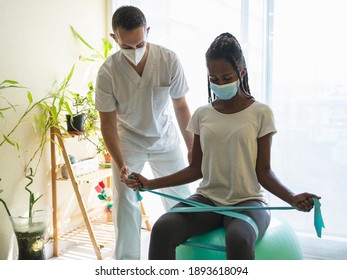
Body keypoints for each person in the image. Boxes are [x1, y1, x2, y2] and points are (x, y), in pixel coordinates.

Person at [128, 32, 321, 260]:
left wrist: (291, 198)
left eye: (227, 77)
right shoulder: (202, 114)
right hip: (207, 199)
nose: (220, 83)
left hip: (248, 202)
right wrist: (151, 183)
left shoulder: (261, 113)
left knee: (238, 239)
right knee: (162, 229)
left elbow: (264, 171)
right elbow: (196, 169)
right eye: (214, 78)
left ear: (242, 72)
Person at [95, 5, 193, 260]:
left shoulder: (168, 60)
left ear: (148, 32)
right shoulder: (107, 72)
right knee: (125, 204)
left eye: (139, 43)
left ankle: (189, 255)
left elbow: (181, 106)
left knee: (182, 199)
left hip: (165, 138)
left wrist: (193, 148)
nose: (135, 51)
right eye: (127, 47)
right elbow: (107, 123)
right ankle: (127, 264)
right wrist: (121, 164)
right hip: (128, 140)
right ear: (115, 39)